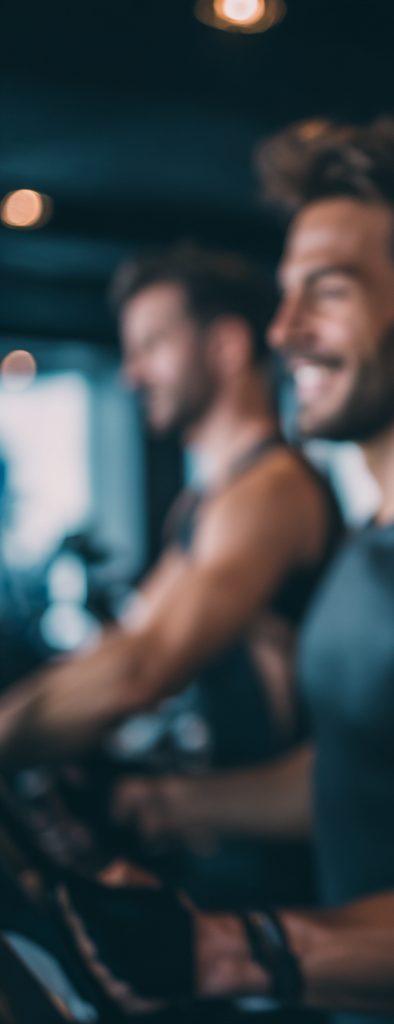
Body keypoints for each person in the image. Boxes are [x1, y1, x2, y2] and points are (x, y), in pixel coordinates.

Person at [61, 120, 394, 1023]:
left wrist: (228, 950)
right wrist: (168, 802)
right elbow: (355, 774)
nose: (283, 332)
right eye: (285, 297)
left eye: (327, 293)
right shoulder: (374, 530)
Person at [0, 245, 341, 907]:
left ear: (226, 346)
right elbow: (127, 642)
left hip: (290, 873)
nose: (131, 374)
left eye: (152, 345)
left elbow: (140, 671)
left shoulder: (271, 491)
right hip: (228, 851)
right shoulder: (204, 503)